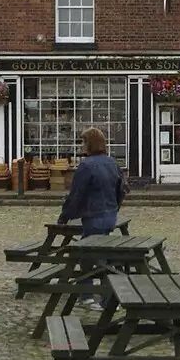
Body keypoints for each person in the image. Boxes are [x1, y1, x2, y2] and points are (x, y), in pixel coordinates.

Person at [60, 128, 127, 309]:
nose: (82, 145)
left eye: (83, 142)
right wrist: (115, 207)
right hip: (110, 215)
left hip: (94, 216)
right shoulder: (112, 163)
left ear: (88, 144)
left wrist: (64, 217)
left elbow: (76, 195)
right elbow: (121, 189)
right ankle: (92, 295)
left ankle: (97, 298)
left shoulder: (86, 166)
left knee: (93, 258)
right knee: (96, 255)